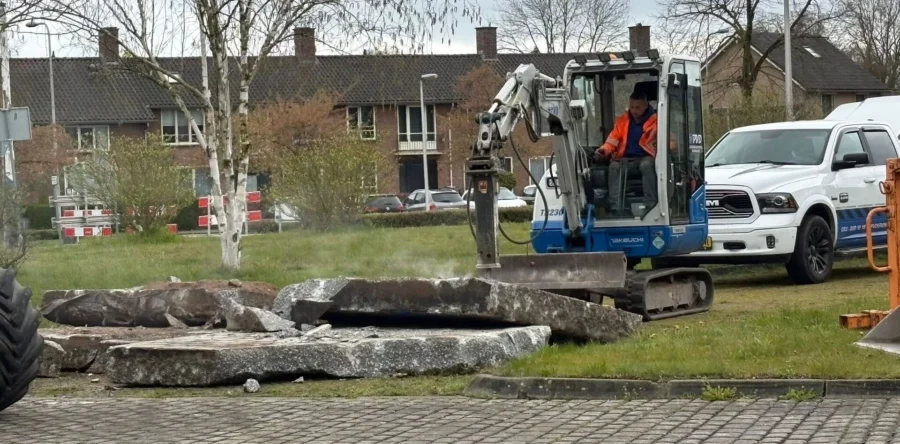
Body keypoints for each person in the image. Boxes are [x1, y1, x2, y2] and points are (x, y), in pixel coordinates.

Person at [594, 91, 660, 215]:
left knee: (646, 165)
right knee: (614, 166)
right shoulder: (622, 121)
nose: (634, 111)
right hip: (627, 160)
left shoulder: (657, 121)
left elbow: (668, 141)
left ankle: (650, 204)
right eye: (632, 107)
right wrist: (603, 150)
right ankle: (616, 207)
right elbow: (612, 141)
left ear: (646, 105)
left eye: (638, 107)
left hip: (647, 157)